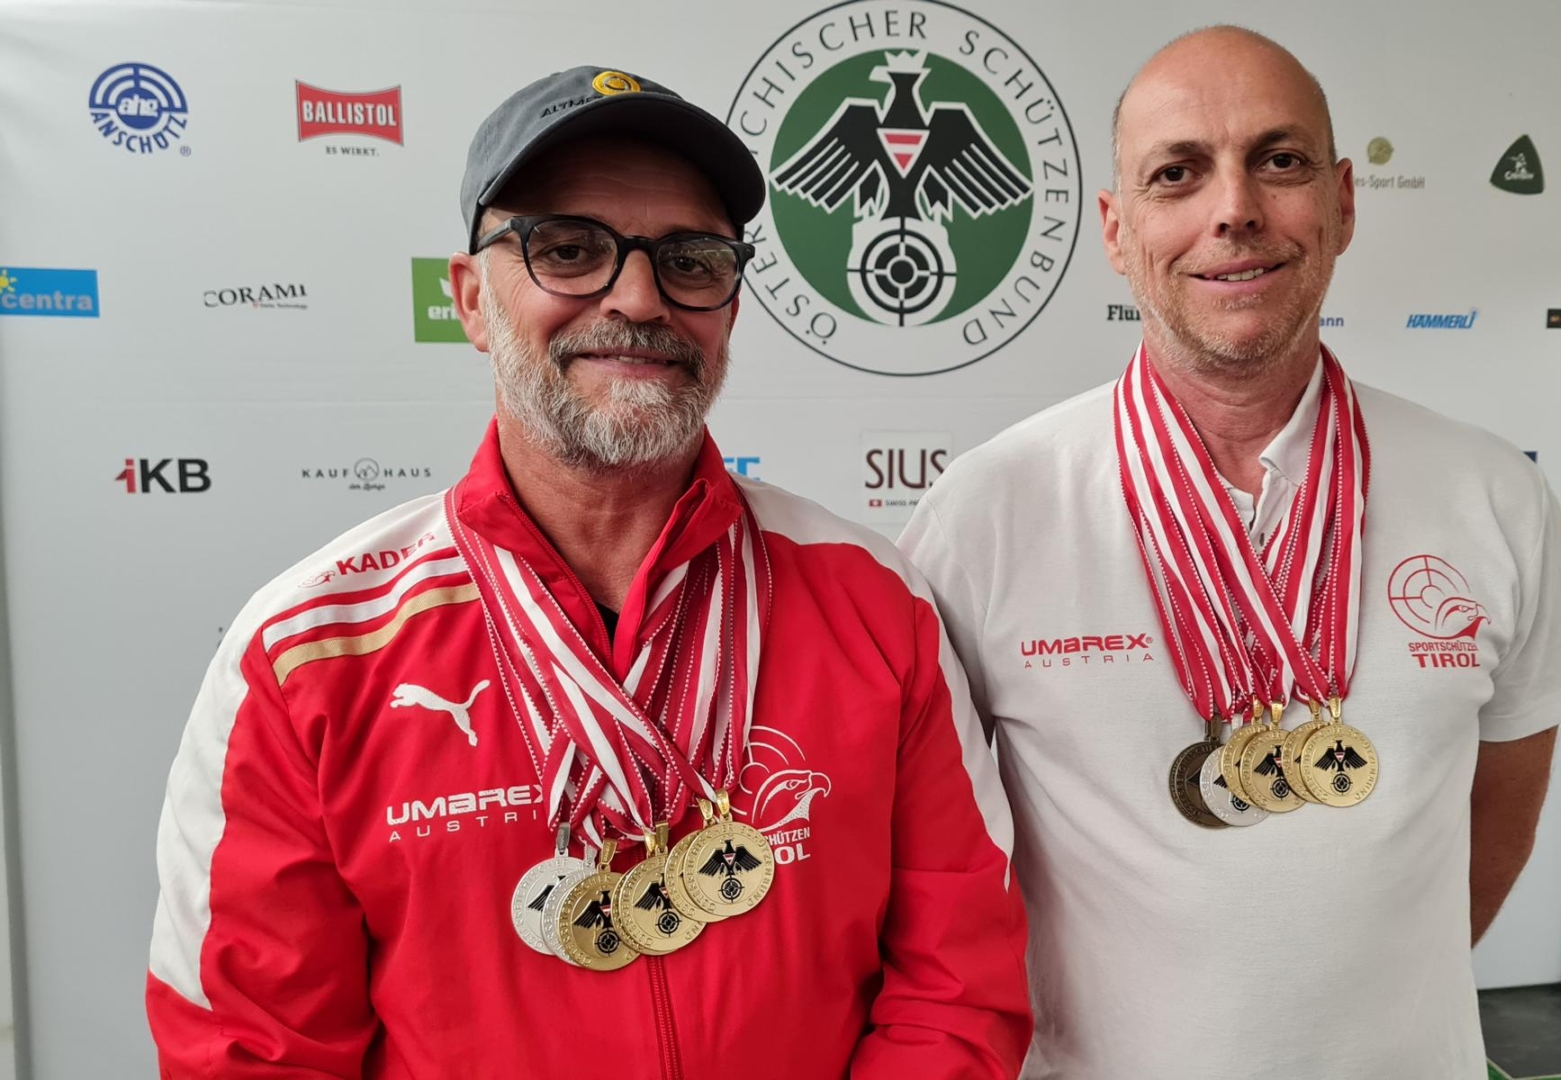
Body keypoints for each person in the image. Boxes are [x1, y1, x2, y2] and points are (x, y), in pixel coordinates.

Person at [146, 65, 1031, 1079]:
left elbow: (956, 986)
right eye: (569, 250)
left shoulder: (871, 599)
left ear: (731, 306)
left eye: (690, 260)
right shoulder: (310, 650)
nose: (640, 298)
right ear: (472, 299)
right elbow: (256, 1049)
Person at [898, 27, 1561, 1080]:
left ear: (1343, 204)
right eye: (1177, 173)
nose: (1233, 208)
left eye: (1278, 161)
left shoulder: (1494, 492)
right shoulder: (987, 510)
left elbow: (1500, 809)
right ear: (1116, 229)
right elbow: (929, 871)